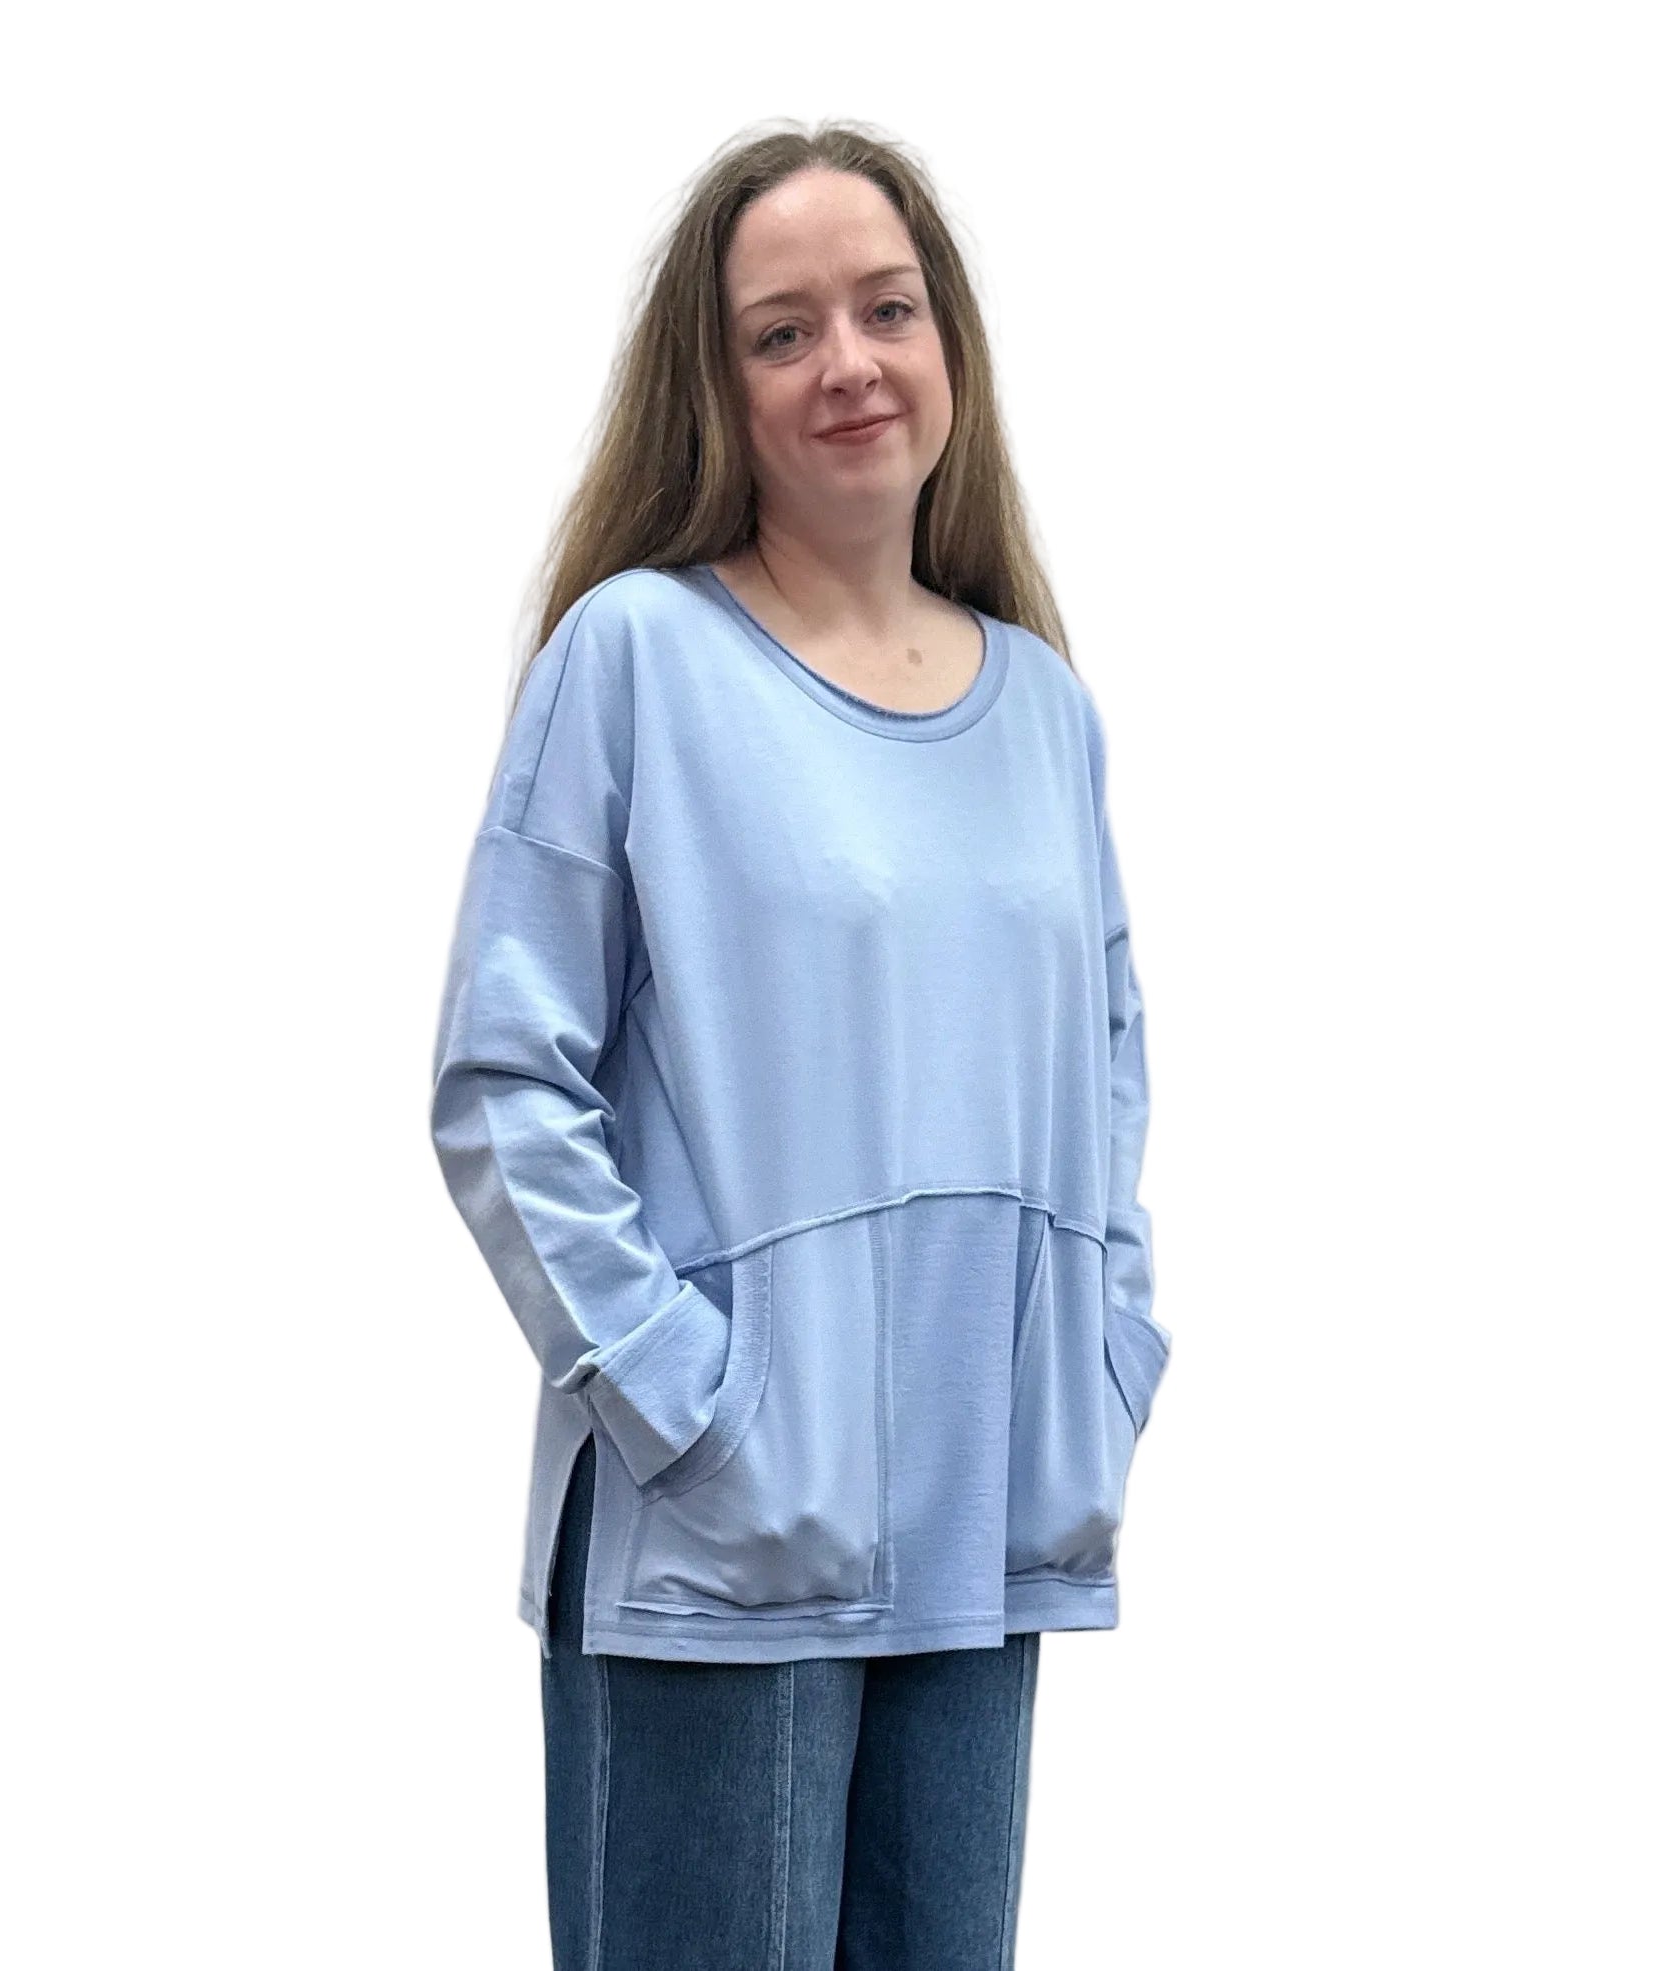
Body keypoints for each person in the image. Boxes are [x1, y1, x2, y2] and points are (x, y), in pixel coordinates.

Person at [427, 118, 1171, 1971]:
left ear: (950, 344)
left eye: (887, 309)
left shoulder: (1045, 708)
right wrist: (690, 1406)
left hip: (984, 1525)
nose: (849, 361)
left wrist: (1103, 1363)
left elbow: (1106, 1064)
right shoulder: (636, 659)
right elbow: (505, 1079)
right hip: (722, 1542)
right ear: (719, 387)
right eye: (783, 330)